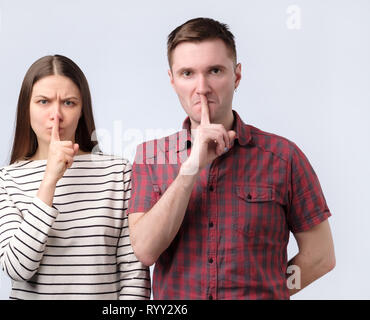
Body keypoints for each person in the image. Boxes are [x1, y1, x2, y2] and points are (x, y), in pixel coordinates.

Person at [127, 18, 335, 299]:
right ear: (172, 80)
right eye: (187, 73)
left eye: (215, 71)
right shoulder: (150, 157)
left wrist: (270, 292)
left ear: (237, 75)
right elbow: (145, 251)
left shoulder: (284, 157)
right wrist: (190, 169)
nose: (202, 87)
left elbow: (320, 256)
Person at [0, 55, 150, 300]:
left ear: (82, 109)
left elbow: (133, 274)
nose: (56, 114)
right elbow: (18, 268)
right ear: (26, 109)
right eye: (43, 101)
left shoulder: (119, 172)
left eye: (69, 103)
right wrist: (49, 179)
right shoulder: (3, 181)